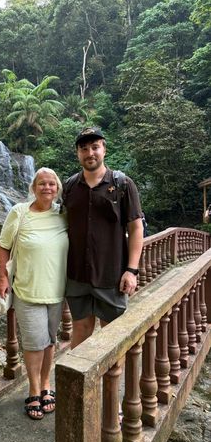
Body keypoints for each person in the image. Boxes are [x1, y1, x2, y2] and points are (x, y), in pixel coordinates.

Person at [62, 126, 143, 350]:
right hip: (77, 275)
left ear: (104, 149)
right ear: (78, 153)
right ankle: (79, 385)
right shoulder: (69, 187)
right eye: (84, 148)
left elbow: (136, 228)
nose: (90, 153)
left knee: (111, 334)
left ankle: (109, 382)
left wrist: (132, 270)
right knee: (80, 329)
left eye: (95, 147)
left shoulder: (123, 184)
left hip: (112, 275)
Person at [0, 167, 68, 420]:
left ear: (58, 189)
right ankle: (34, 388)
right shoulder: (19, 212)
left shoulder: (63, 214)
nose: (47, 188)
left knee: (49, 341)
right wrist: (2, 277)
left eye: (51, 184)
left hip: (57, 291)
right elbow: (3, 245)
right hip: (27, 289)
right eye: (42, 184)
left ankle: (46, 383)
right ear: (33, 188)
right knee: (34, 343)